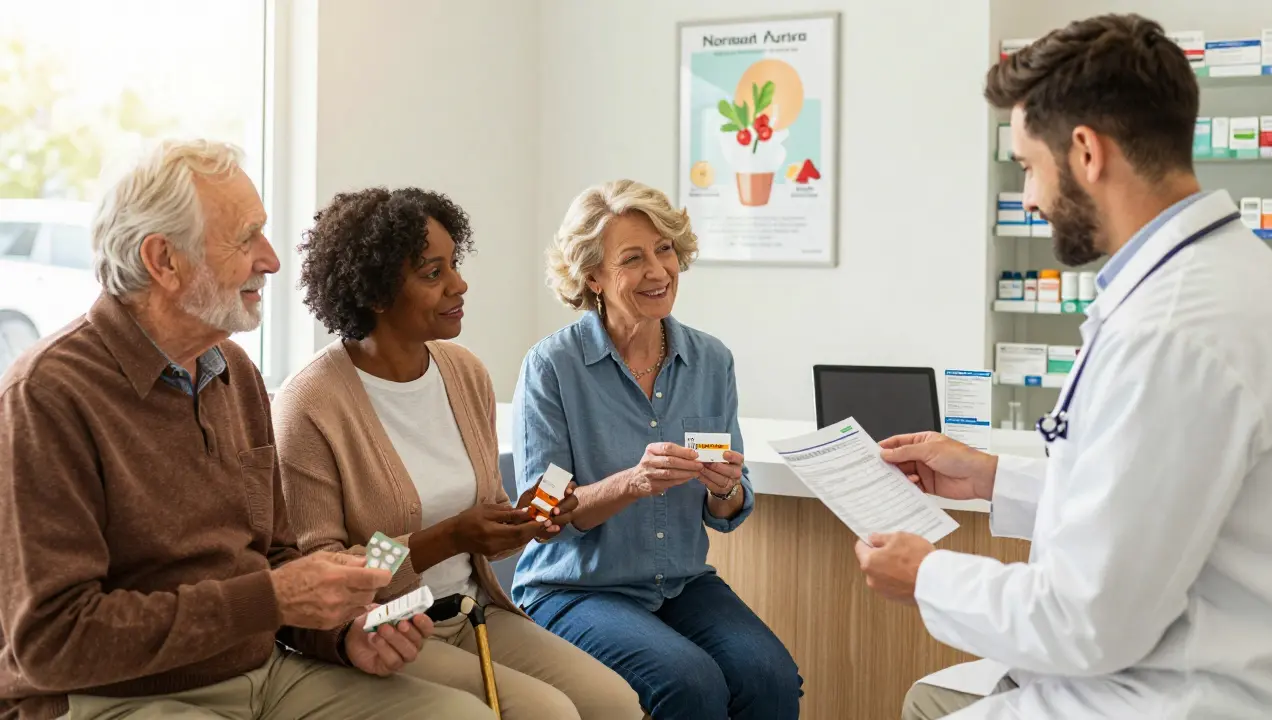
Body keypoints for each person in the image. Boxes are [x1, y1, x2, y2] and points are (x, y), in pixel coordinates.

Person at [852, 15, 1272, 720]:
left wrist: (926, 575)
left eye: (1027, 166)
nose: (1028, 198)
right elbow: (1145, 493)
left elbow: (1089, 620)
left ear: (1085, 152)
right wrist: (994, 477)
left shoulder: (1170, 330)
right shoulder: (1221, 279)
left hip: (1173, 695)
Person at [0, 142, 496, 719]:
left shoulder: (233, 370)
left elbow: (281, 561)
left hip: (278, 665)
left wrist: (342, 635)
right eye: (246, 237)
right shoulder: (47, 396)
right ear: (163, 260)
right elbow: (51, 642)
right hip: (119, 693)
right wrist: (276, 598)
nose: (271, 259)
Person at [273, 186, 644, 720]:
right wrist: (442, 540)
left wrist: (525, 519)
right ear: (376, 294)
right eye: (433, 273)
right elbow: (324, 571)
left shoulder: (463, 372)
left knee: (618, 705)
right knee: (547, 712)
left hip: (476, 610)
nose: (459, 284)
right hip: (389, 629)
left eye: (455, 264)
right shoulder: (310, 405)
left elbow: (483, 509)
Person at [511, 179, 802, 719]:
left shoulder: (711, 361)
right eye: (633, 259)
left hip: (680, 584)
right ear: (592, 275)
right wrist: (632, 482)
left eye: (665, 250)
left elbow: (727, 511)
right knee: (689, 685)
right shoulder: (552, 367)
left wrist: (726, 490)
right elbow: (542, 513)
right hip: (577, 590)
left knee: (772, 678)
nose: (658, 271)